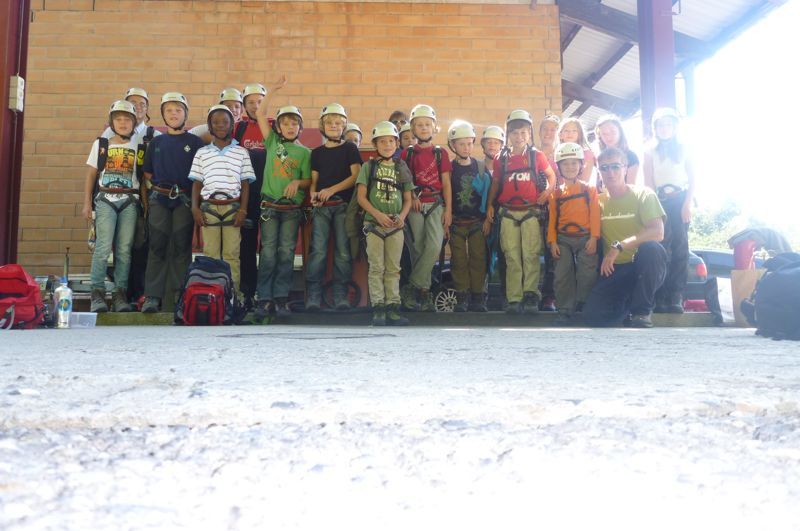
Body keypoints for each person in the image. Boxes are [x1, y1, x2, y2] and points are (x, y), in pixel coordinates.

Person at [582, 147, 667, 328]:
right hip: (615, 269)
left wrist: (619, 246)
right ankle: (629, 305)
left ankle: (642, 312)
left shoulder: (644, 194)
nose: (610, 172)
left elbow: (657, 232)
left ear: (626, 168)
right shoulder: (597, 202)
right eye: (604, 168)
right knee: (592, 316)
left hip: (642, 266)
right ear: (599, 172)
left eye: (615, 166)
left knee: (652, 249)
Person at [141, 92, 205, 313]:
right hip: (159, 199)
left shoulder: (195, 143)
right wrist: (161, 188)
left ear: (185, 114)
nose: (173, 114)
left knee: (181, 247)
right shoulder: (156, 142)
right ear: (163, 114)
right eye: (169, 110)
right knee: (157, 246)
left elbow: (199, 175)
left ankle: (179, 296)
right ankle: (152, 297)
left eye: (178, 110)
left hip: (184, 200)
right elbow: (147, 172)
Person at [486, 109, 556, 314]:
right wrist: (490, 205)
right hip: (508, 213)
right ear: (508, 134)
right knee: (512, 257)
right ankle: (514, 299)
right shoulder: (501, 158)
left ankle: (531, 295)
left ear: (530, 133)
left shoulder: (537, 156)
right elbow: (496, 183)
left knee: (530, 255)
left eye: (523, 133)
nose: (519, 137)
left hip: (531, 212)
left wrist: (547, 192)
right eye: (515, 133)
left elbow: (551, 176)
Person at [253, 75, 311, 319]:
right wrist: (273, 90)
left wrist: (297, 182)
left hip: (290, 211)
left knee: (286, 253)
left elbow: (308, 180)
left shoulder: (305, 152)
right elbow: (260, 114)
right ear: (278, 127)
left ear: (300, 128)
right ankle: (264, 298)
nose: (289, 127)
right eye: (285, 123)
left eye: (294, 124)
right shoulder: (273, 143)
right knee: (268, 253)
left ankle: (281, 298)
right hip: (270, 207)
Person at [189, 105, 255, 299]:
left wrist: (243, 210)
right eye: (215, 122)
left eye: (225, 122)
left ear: (232, 125)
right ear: (209, 126)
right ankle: (212, 294)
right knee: (211, 253)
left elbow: (245, 184)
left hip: (233, 208)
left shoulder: (241, 152)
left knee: (231, 254)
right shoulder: (202, 153)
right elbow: (197, 183)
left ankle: (232, 295)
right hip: (209, 208)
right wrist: (195, 208)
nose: (220, 125)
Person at [83, 100, 141, 313]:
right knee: (102, 247)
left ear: (134, 123)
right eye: (118, 119)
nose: (123, 123)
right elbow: (91, 174)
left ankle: (120, 295)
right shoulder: (101, 145)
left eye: (127, 119)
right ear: (111, 122)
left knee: (124, 250)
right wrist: (86, 203)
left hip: (130, 200)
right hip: (106, 199)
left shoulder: (139, 146)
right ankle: (97, 295)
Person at [306, 103, 362, 311]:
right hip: (322, 207)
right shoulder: (317, 153)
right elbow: (314, 181)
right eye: (329, 122)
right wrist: (313, 194)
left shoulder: (350, 148)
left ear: (344, 125)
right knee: (318, 251)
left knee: (343, 252)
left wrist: (331, 189)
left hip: (342, 207)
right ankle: (313, 294)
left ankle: (340, 294)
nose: (334, 126)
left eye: (338, 123)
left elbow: (356, 176)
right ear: (322, 125)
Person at [356, 121, 413, 326]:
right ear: (375, 144)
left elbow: (408, 199)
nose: (387, 145)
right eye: (382, 141)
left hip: (395, 226)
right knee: (376, 267)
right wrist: (377, 215)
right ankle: (378, 308)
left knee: (393, 268)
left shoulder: (401, 167)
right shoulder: (368, 167)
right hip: (374, 225)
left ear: (397, 143)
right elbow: (361, 198)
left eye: (391, 141)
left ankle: (393, 308)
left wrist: (402, 217)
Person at [400, 104, 453, 311]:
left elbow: (446, 183)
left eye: (427, 125)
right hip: (415, 203)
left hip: (436, 203)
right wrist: (412, 195)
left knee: (434, 246)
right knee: (418, 248)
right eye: (419, 125)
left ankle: (411, 286)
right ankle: (424, 293)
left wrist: (448, 210)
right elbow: (404, 181)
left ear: (434, 128)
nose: (424, 128)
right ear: (413, 129)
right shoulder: (407, 154)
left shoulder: (441, 153)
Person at [643, 107, 696, 313]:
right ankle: (660, 295)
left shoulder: (684, 148)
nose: (664, 128)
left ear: (674, 127)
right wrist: (652, 209)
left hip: (680, 198)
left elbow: (693, 179)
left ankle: (676, 295)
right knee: (661, 247)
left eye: (668, 124)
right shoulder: (649, 150)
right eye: (660, 125)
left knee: (680, 247)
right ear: (655, 128)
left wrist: (687, 204)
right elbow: (648, 183)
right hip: (660, 200)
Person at [547, 143, 600, 325]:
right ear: (559, 167)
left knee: (587, 272)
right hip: (563, 239)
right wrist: (552, 242)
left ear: (580, 165)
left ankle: (584, 305)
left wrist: (594, 238)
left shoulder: (589, 190)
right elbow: (552, 220)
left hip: (585, 237)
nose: (570, 167)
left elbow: (595, 215)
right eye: (565, 163)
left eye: (574, 163)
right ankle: (564, 309)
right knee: (562, 273)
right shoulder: (556, 194)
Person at [447, 121, 491, 312]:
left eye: (469, 143)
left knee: (478, 258)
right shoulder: (449, 169)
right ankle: (462, 296)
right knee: (458, 260)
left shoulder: (480, 167)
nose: (466, 147)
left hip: (477, 223)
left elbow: (489, 195)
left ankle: (478, 296)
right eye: (461, 144)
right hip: (456, 223)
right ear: (453, 145)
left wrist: (487, 219)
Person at [234, 83, 268, 311]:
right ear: (244, 106)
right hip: (245, 195)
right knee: (246, 245)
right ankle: (246, 293)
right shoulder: (238, 128)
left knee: (268, 247)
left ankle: (265, 294)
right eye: (251, 102)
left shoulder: (275, 126)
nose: (256, 106)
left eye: (260, 102)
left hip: (269, 195)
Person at [595, 114, 639, 186]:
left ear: (620, 132)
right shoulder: (599, 157)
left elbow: (631, 186)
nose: (609, 137)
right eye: (604, 134)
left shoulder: (631, 156)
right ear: (600, 136)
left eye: (613, 132)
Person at [557, 117, 595, 185]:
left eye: (574, 131)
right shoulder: (557, 154)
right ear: (560, 135)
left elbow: (584, 180)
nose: (570, 133)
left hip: (581, 190)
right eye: (566, 131)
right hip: (561, 190)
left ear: (579, 135)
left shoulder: (587, 154)